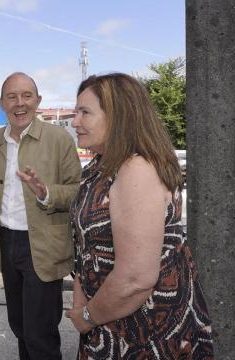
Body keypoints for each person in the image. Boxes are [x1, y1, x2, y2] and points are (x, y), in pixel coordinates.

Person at [65, 73, 214, 358]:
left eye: (85, 112)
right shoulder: (102, 164)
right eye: (76, 112)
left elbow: (135, 278)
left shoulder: (136, 170)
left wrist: (87, 315)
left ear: (119, 116)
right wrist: (83, 301)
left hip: (144, 331)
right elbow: (88, 244)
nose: (75, 122)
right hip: (109, 319)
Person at [0, 72, 81, 359]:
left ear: (38, 101)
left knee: (41, 334)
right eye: (11, 97)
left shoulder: (59, 138)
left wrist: (45, 193)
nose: (19, 103)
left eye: (26, 96)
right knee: (20, 327)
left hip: (44, 246)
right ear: (1, 103)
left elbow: (77, 191)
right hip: (6, 242)